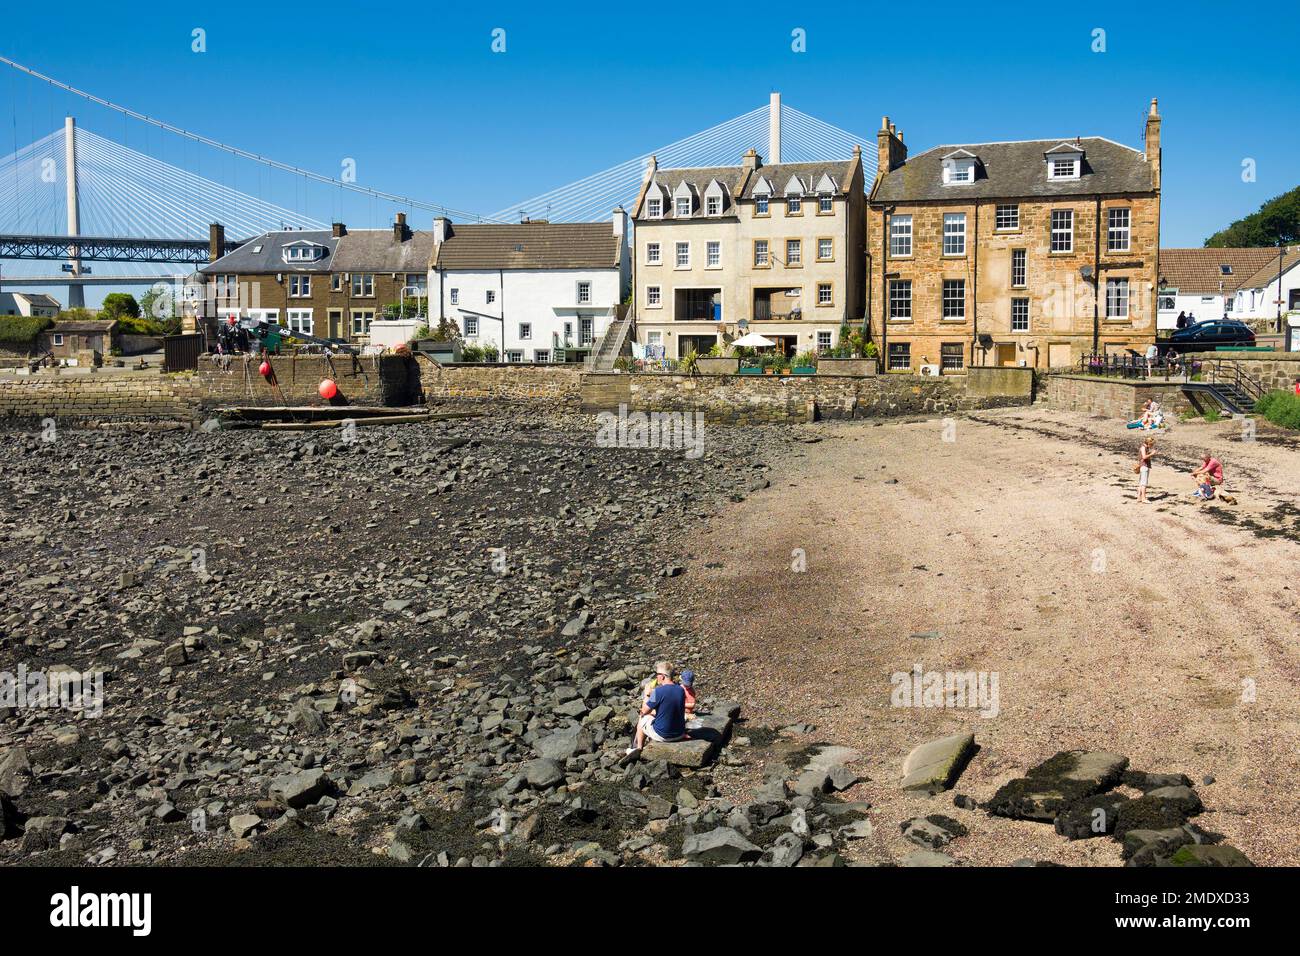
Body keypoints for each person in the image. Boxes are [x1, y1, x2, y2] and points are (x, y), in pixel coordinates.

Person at [627, 661, 686, 754]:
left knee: (642, 718)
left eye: (657, 674)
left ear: (662, 676)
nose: (656, 677)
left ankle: (638, 748)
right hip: (680, 733)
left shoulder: (657, 691)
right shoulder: (681, 689)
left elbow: (644, 711)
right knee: (655, 715)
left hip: (664, 735)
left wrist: (647, 694)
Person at [1136, 437, 1156, 503]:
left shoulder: (1144, 447)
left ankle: (1139, 497)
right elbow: (1144, 457)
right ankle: (1143, 498)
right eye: (1152, 444)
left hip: (1143, 466)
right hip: (1144, 466)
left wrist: (1149, 453)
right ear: (1149, 443)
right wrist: (1151, 454)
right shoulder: (1143, 447)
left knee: (1141, 483)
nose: (1152, 446)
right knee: (1144, 483)